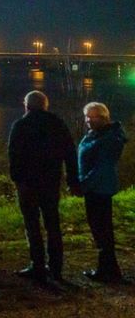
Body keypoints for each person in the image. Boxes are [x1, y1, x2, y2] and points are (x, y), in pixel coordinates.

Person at [7, 90, 78, 283]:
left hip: (27, 183)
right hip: (51, 181)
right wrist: (72, 179)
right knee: (52, 223)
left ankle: (37, 264)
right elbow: (70, 153)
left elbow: (13, 154)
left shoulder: (21, 125)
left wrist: (17, 178)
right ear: (45, 105)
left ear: (27, 105)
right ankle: (56, 267)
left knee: (32, 225)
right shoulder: (57, 124)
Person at [77, 102, 127, 283]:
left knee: (102, 229)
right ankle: (107, 268)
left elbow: (101, 168)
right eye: (86, 116)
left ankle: (108, 270)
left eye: (92, 117)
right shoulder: (99, 134)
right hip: (96, 187)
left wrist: (83, 185)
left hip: (99, 188)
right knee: (100, 229)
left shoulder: (108, 139)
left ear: (104, 118)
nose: (88, 120)